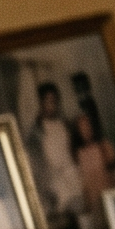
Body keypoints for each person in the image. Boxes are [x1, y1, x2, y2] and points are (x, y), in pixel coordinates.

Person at [28, 81, 86, 221]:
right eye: (48, 101)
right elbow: (36, 164)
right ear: (41, 103)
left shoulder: (65, 124)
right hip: (54, 182)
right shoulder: (36, 131)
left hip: (73, 176)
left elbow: (74, 151)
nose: (52, 105)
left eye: (54, 101)